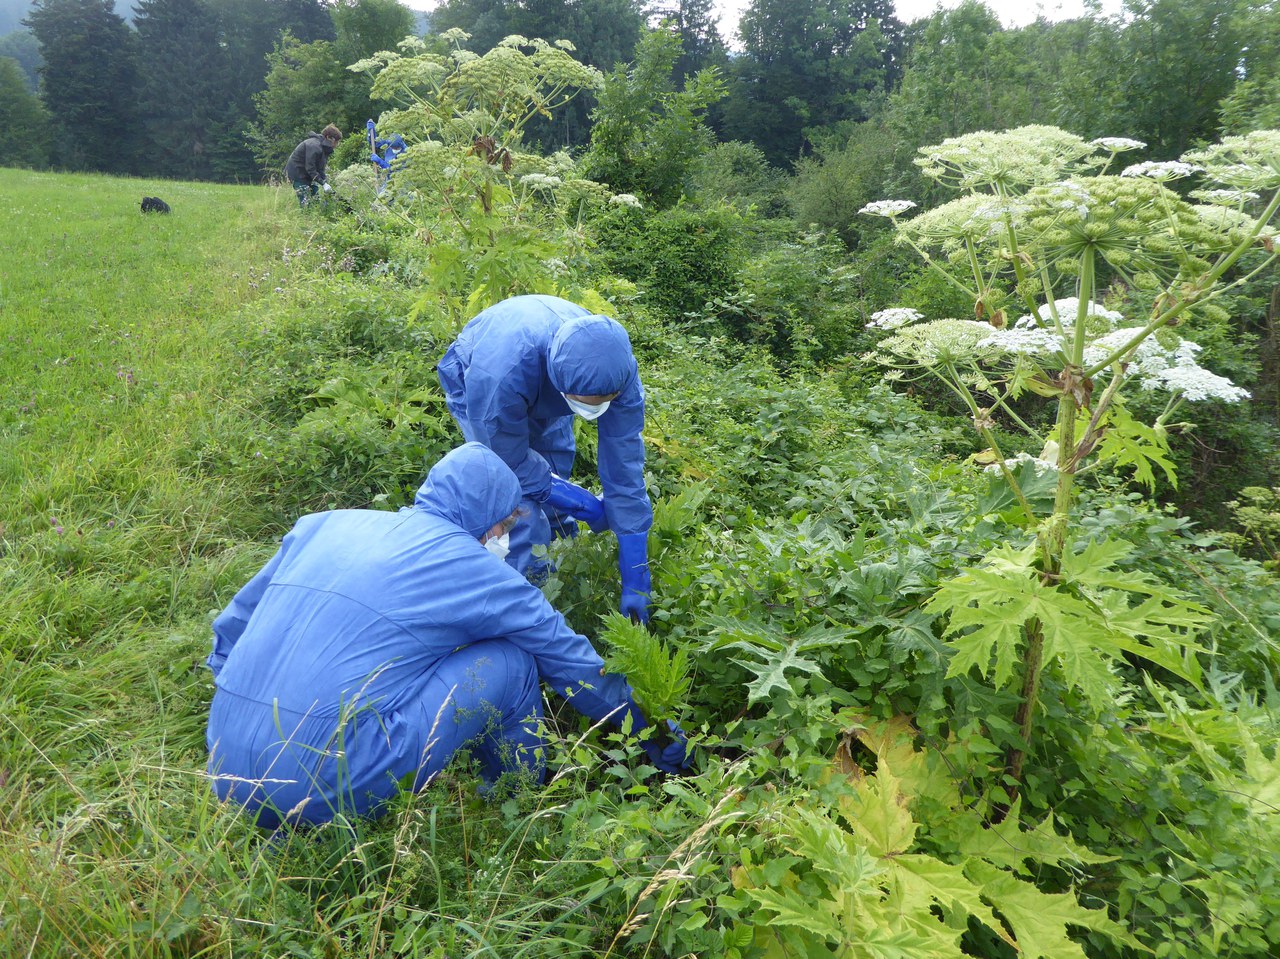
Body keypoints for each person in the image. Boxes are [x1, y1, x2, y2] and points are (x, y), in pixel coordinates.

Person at [205, 443, 686, 829]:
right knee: (515, 664)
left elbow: (230, 630)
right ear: (489, 522)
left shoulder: (323, 526)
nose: (503, 539)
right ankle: (514, 811)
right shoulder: (477, 570)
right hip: (324, 785)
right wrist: (647, 728)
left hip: (221, 760)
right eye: (504, 527)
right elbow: (570, 661)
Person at [437, 295, 654, 623]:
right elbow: (508, 460)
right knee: (517, 501)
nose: (595, 408)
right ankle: (526, 605)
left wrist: (636, 572)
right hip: (479, 377)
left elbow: (625, 467)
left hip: (549, 379)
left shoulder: (615, 370)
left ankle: (562, 554)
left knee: (555, 460)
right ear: (561, 385)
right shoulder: (499, 377)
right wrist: (583, 503)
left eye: (604, 401)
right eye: (585, 402)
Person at [285, 123, 342, 207]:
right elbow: (310, 168)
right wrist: (323, 183)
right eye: (336, 142)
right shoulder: (314, 146)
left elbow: (320, 169)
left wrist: (325, 182)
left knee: (316, 201)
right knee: (306, 204)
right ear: (329, 138)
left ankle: (318, 215)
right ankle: (306, 218)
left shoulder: (324, 148)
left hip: (308, 174)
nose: (336, 145)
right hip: (298, 173)